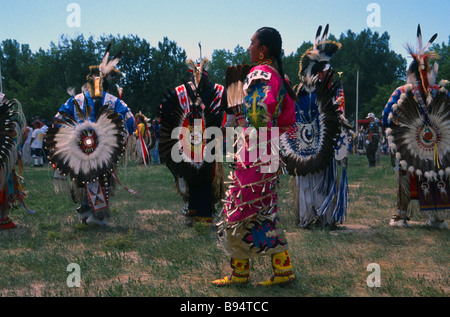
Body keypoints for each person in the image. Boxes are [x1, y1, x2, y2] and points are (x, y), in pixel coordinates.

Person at [212, 27, 296, 287]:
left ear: (262, 50)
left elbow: (260, 116)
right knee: (263, 208)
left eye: (251, 43)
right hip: (269, 147)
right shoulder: (279, 77)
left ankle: (241, 274)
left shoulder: (259, 74)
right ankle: (282, 271)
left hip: (257, 147)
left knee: (238, 210)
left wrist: (248, 132)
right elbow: (287, 117)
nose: (248, 47)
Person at [45, 43, 135, 228]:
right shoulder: (113, 100)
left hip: (78, 148)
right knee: (103, 179)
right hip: (105, 149)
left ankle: (85, 210)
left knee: (82, 177)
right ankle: (96, 216)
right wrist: (123, 136)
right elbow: (131, 121)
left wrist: (64, 139)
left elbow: (57, 119)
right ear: (107, 84)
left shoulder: (75, 99)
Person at [280, 25, 348, 229]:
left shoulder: (331, 92)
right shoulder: (297, 93)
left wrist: (341, 146)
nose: (324, 74)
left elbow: (340, 117)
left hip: (323, 146)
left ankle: (326, 217)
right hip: (301, 147)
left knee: (322, 180)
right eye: (320, 70)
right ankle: (306, 217)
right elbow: (287, 116)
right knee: (305, 181)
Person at [383, 25, 449, 229]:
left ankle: (402, 216)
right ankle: (437, 217)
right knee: (435, 174)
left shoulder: (401, 91)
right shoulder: (440, 91)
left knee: (407, 173)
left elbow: (386, 117)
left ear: (411, 73)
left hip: (410, 145)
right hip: (436, 147)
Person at [159, 57, 226, 226]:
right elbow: (165, 111)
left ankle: (203, 214)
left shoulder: (219, 91)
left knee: (205, 179)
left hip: (208, 144)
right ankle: (193, 210)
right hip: (187, 144)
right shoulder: (182, 92)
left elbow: (229, 112)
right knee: (190, 177)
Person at [0, 93, 31, 229]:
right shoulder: (7, 121)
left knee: (5, 186)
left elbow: (14, 136)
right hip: (4, 160)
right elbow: (13, 134)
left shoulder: (7, 121)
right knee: (4, 186)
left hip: (5, 158)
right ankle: (3, 218)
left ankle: (3, 217)